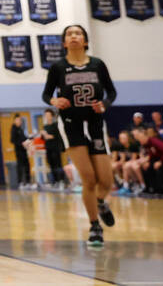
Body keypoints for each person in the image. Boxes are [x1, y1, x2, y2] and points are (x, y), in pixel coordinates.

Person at [42, 24, 117, 247]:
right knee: (89, 178)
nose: (73, 36)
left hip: (95, 123)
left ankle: (101, 202)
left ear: (85, 41)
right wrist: (54, 101)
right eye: (69, 34)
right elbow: (47, 94)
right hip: (71, 123)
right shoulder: (58, 67)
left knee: (106, 180)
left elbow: (111, 92)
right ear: (64, 42)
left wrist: (104, 104)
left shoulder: (97, 64)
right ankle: (95, 226)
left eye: (78, 33)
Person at [131, 127, 163, 194]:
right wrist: (145, 161)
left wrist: (160, 162)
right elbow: (152, 154)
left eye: (141, 139)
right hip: (158, 159)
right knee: (146, 167)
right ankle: (150, 188)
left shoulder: (153, 141)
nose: (140, 141)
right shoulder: (147, 144)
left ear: (145, 137)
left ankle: (161, 190)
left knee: (156, 168)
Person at [40, 109, 66, 188]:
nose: (47, 117)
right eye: (46, 115)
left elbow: (58, 136)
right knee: (51, 165)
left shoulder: (56, 125)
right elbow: (43, 138)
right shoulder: (45, 126)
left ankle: (61, 180)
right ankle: (54, 181)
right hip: (48, 148)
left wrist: (50, 136)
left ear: (52, 116)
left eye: (49, 115)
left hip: (55, 147)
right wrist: (43, 135)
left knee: (58, 164)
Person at [9, 114, 32, 190]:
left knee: (27, 165)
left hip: (24, 150)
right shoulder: (14, 129)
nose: (19, 122)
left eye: (20, 120)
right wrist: (21, 143)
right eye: (18, 120)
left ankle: (28, 182)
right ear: (15, 120)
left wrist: (29, 139)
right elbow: (12, 140)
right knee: (20, 166)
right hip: (19, 151)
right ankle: (20, 182)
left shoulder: (20, 129)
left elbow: (24, 138)